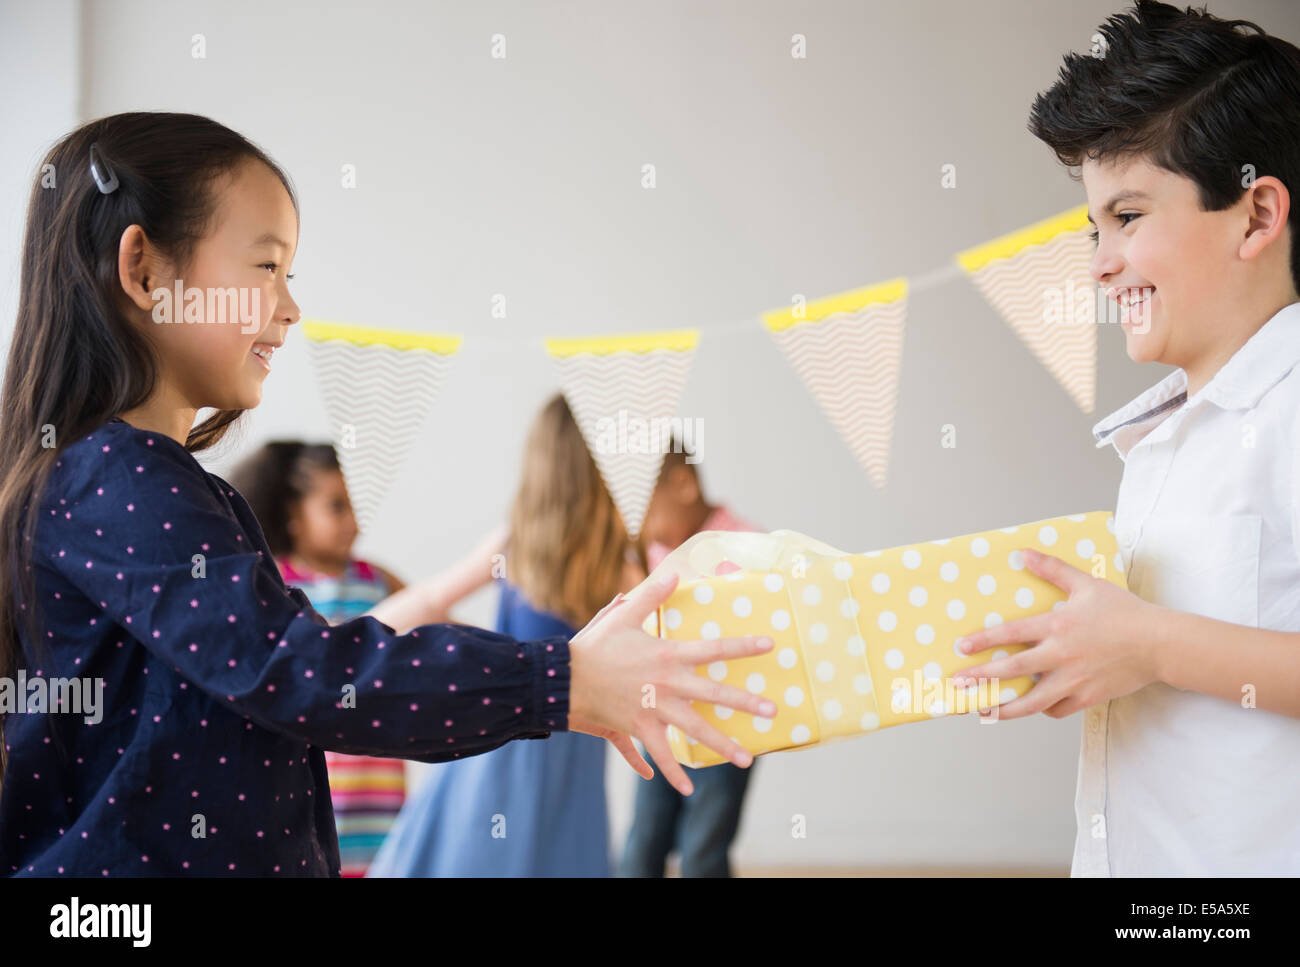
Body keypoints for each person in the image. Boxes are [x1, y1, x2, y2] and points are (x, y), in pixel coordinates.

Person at [0, 112, 776, 876]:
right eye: (266, 267)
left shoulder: (148, 486)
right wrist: (560, 680)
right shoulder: (116, 481)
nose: (291, 307)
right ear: (143, 270)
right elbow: (300, 668)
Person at [951, 1, 1300, 875]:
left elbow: (1164, 646)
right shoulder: (1165, 439)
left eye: (1131, 216)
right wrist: (1086, 651)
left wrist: (1147, 645)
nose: (1099, 261)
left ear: (1257, 215)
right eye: (1093, 227)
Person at [367, 394, 643, 876]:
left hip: (504, 719)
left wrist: (346, 641)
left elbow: (429, 599)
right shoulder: (618, 561)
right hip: (564, 733)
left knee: (483, 849)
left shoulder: (516, 544)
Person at [226, 441, 407, 877]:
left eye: (357, 505)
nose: (353, 520)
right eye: (336, 506)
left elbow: (439, 630)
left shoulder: (378, 580)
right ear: (296, 515)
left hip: (378, 789)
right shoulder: (274, 583)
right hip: (310, 788)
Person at [620, 444, 759, 877]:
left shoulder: (747, 548)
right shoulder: (654, 555)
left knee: (704, 843)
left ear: (683, 484)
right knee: (644, 836)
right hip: (661, 716)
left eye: (644, 515)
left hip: (724, 722)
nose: (641, 531)